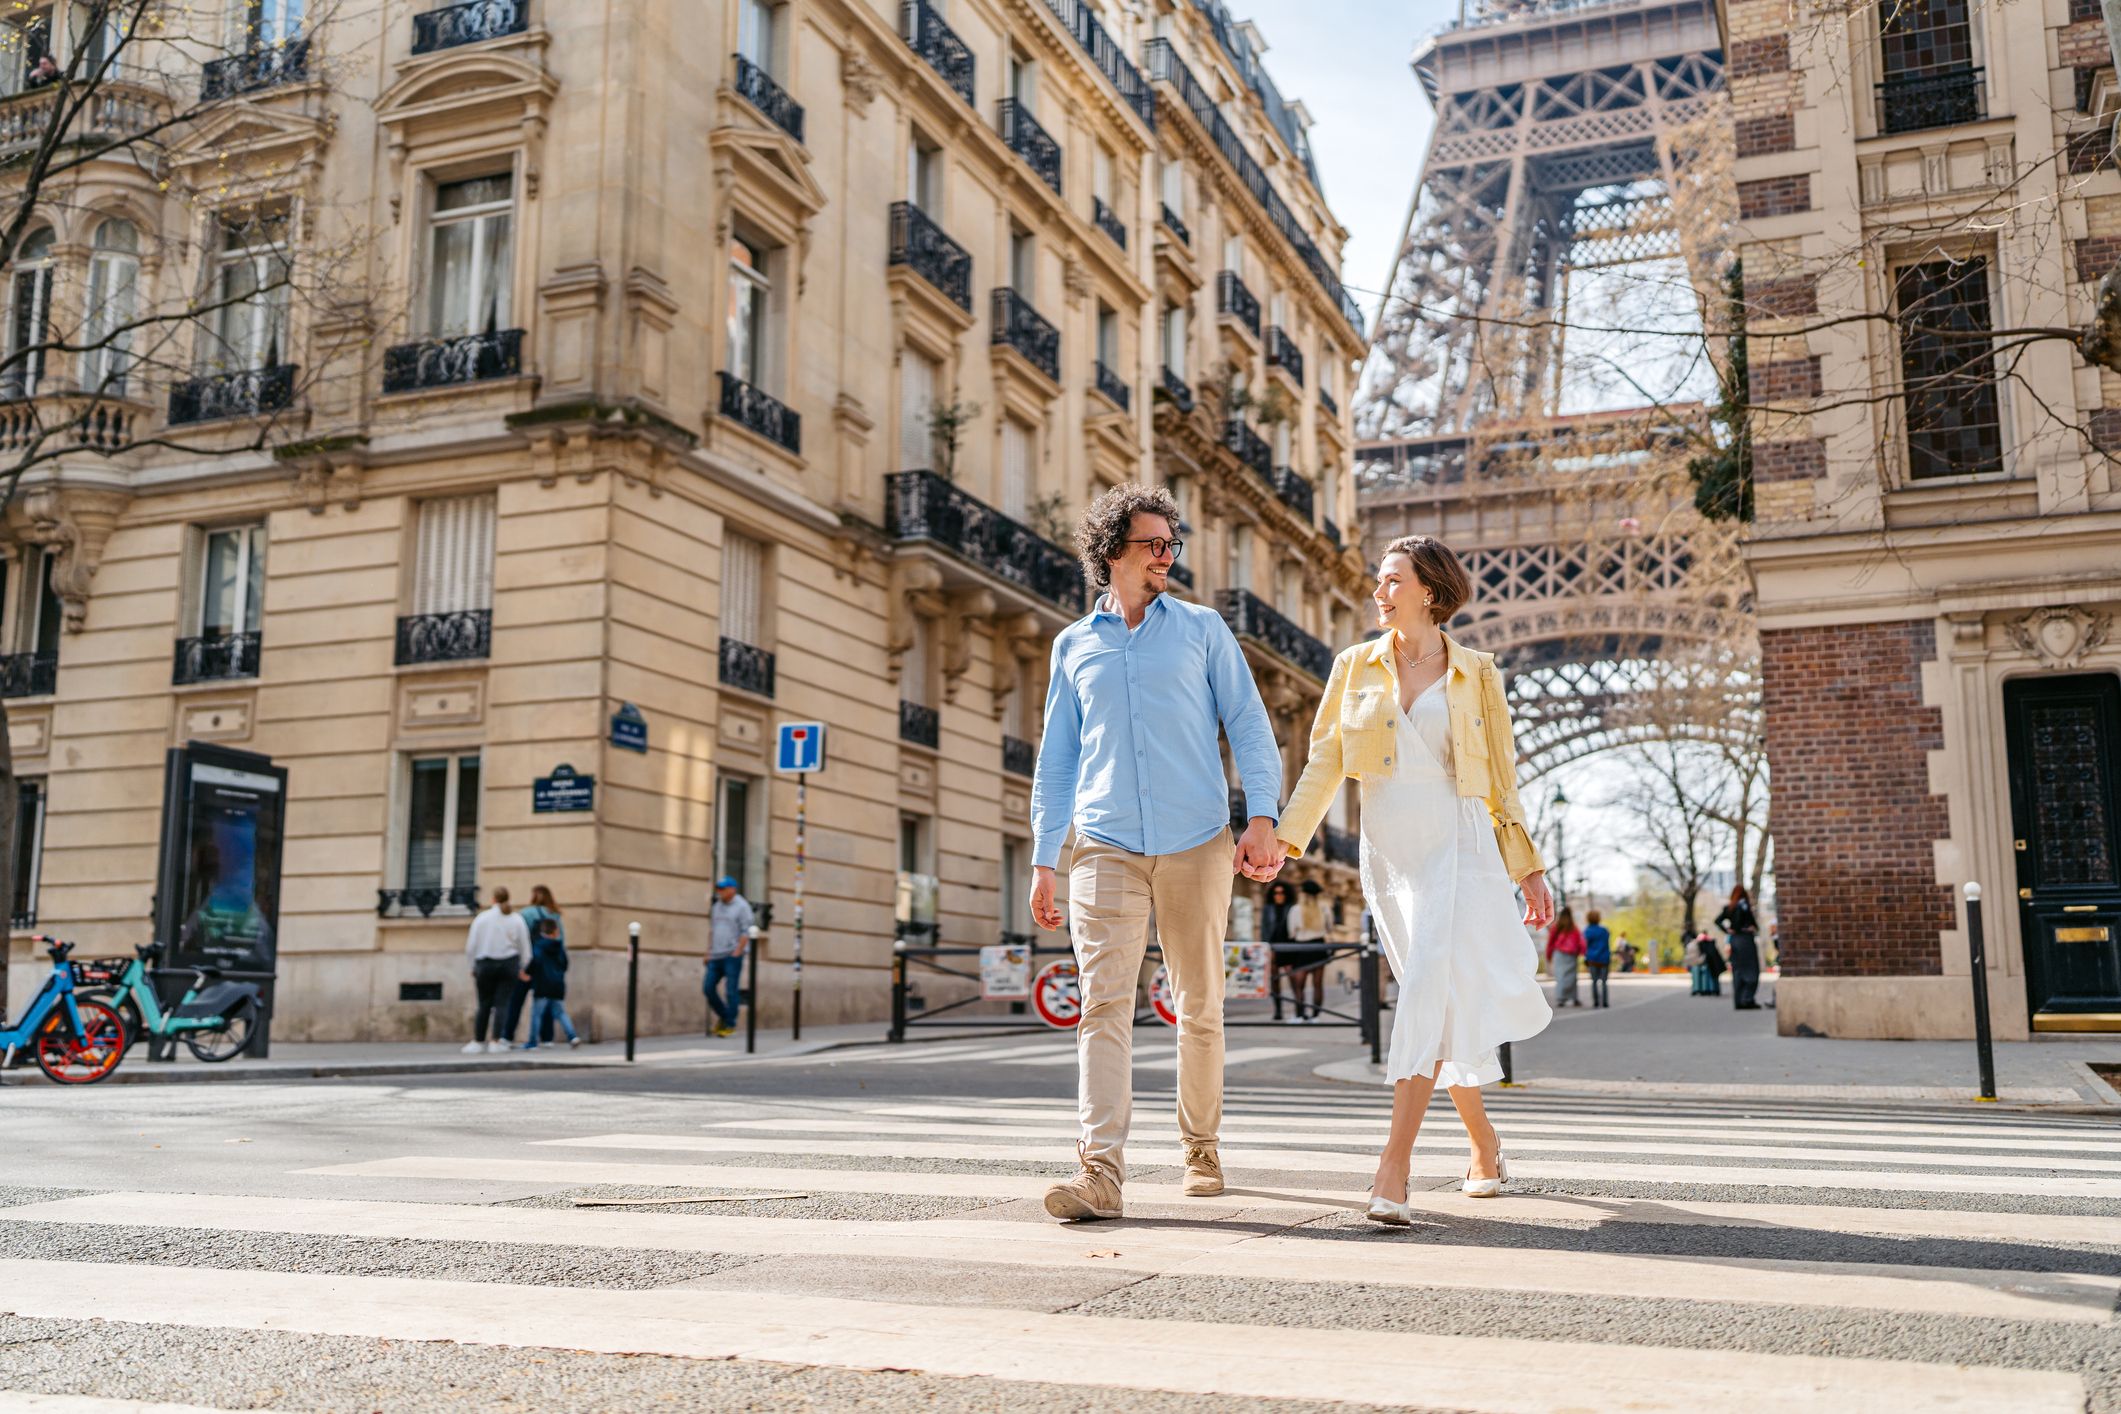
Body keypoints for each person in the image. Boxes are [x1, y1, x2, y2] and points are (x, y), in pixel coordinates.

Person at [1274, 534, 1554, 1226]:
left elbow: (1500, 778)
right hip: (1390, 852)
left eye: (1391, 579)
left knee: (1426, 990)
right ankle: (1484, 1144)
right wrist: (1283, 839)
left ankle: (1392, 1166)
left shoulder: (1476, 672)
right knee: (1439, 1004)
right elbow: (1323, 763)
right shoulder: (1353, 666)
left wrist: (1528, 869)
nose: (1378, 590)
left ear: (1429, 590)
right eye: (1378, 578)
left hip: (1455, 845)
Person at [1029, 484, 1284, 1222]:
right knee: (1102, 1006)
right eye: (1153, 545)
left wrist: (1259, 817)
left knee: (1197, 1004)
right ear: (1112, 552)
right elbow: (1057, 758)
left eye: (1172, 545)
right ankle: (1098, 1171)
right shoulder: (1072, 645)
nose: (1166, 556)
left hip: (1195, 840)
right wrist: (1046, 857)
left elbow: (1248, 722)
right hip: (1102, 844)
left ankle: (1200, 1146)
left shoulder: (1202, 630)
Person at [463, 887, 530, 1054]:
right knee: (502, 1004)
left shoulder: (482, 918)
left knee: (484, 1003)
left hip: (485, 963)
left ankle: (478, 1040)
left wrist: (472, 966)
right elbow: (526, 948)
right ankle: (496, 1040)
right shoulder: (516, 919)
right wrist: (522, 966)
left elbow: (471, 946)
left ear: (493, 899)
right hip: (509, 964)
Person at [509, 885, 564, 1046]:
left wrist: (519, 964)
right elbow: (561, 942)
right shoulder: (554, 915)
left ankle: (507, 1035)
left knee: (516, 1001)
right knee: (545, 1001)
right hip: (547, 967)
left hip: (529, 963)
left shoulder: (526, 913)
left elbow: (519, 939)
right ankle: (547, 1038)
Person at [522, 915, 581, 1049]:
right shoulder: (559, 947)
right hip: (557, 984)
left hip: (542, 984)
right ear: (555, 932)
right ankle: (572, 1036)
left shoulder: (539, 946)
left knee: (536, 1014)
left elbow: (535, 961)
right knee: (560, 1012)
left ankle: (532, 1042)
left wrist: (527, 973)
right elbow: (565, 964)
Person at [706, 877, 753, 1038]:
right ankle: (726, 1017)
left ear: (733, 889)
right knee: (708, 988)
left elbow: (746, 931)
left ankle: (729, 1024)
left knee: (731, 991)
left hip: (732, 954)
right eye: (718, 888)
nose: (720, 891)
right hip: (716, 954)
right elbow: (712, 930)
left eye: (723, 888)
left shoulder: (742, 906)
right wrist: (708, 952)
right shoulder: (717, 907)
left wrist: (738, 951)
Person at [1290, 879, 1332, 1022]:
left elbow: (1291, 932)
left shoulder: (1296, 909)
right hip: (1319, 946)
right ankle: (1316, 1016)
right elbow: (1329, 928)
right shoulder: (1324, 908)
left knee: (1299, 984)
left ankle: (1299, 1014)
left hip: (1301, 947)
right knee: (1317, 984)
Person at [1717, 885, 1763, 1010]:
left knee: (1738, 971)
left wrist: (1728, 930)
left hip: (1735, 941)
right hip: (1745, 940)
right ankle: (1747, 999)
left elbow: (1717, 921)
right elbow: (1754, 925)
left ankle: (1739, 1001)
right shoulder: (1744, 906)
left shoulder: (1730, 907)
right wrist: (1749, 928)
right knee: (1751, 970)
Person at [1261, 879, 1296, 1022]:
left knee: (1293, 979)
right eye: (1276, 893)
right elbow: (1264, 929)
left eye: (1281, 893)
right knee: (1274, 981)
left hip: (1289, 947)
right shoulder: (1268, 908)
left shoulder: (1292, 907)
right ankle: (1278, 1011)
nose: (1279, 895)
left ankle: (1299, 1010)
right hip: (1273, 947)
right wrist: (1265, 947)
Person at [1545, 908, 1584, 1008]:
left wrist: (1548, 955)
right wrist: (1581, 953)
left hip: (1559, 954)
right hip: (1571, 955)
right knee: (1572, 977)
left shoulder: (1556, 927)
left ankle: (1561, 998)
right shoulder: (1574, 928)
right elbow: (1581, 942)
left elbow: (1550, 942)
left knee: (1560, 976)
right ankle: (1574, 998)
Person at [1582, 909, 1612, 1008]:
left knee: (1594, 981)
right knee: (1604, 981)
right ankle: (1605, 1002)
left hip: (1592, 959)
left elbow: (1584, 945)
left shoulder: (1587, 931)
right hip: (1604, 959)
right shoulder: (1604, 930)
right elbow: (1607, 943)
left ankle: (1595, 1001)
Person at [1698, 930, 1726, 996]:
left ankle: (1710, 990)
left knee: (1709, 976)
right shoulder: (1711, 942)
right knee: (1714, 976)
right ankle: (1715, 990)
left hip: (1708, 961)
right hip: (1714, 962)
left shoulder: (1702, 942)